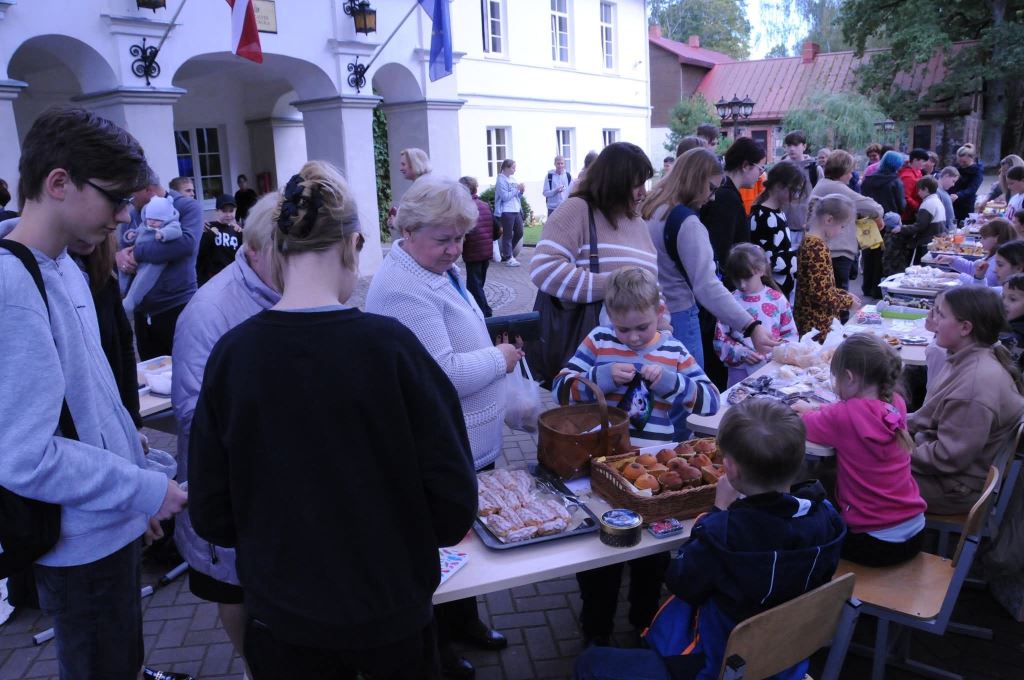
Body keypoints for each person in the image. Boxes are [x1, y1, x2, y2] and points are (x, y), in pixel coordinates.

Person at [188, 162, 477, 677]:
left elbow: (212, 513)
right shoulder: (392, 349)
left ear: (277, 248)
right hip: (391, 615)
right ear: (353, 244)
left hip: (284, 618)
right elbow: (453, 502)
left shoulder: (233, 356)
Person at [0, 105, 187, 679]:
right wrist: (140, 488)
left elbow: (94, 402)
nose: (124, 217)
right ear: (59, 183)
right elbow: (26, 455)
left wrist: (137, 489)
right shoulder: (13, 284)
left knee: (120, 661)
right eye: (115, 199)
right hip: (78, 545)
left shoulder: (63, 266)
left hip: (106, 524)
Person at [365, 175, 520, 678]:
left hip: (466, 440)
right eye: (444, 239)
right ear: (408, 231)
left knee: (464, 545)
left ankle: (464, 623)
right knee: (442, 552)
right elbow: (442, 374)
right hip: (440, 446)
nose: (455, 249)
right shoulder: (403, 288)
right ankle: (441, 650)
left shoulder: (434, 270)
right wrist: (500, 358)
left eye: (460, 238)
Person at [574, 399, 845, 680]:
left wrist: (718, 511)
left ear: (730, 469)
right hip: (788, 661)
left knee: (591, 661)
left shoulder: (725, 532)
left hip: (717, 667)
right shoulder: (828, 517)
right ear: (801, 458)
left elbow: (681, 582)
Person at [555, 267, 719, 650]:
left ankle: (645, 623)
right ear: (609, 316)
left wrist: (671, 383)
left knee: (649, 557)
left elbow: (711, 399)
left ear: (659, 311)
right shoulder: (598, 341)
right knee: (601, 555)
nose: (630, 338)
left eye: (640, 329)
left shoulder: (674, 351)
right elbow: (562, 390)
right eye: (622, 329)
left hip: (652, 476)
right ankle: (596, 627)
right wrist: (602, 377)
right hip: (600, 469)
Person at [172, 191, 282, 674]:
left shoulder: (290, 287)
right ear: (253, 249)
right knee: (234, 589)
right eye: (286, 255)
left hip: (282, 491)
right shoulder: (209, 310)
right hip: (231, 494)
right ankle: (252, 666)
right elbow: (195, 417)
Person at [529, 142, 663, 382]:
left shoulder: (638, 223)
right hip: (590, 359)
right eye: (637, 184)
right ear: (615, 182)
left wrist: (663, 326)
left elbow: (651, 285)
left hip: (640, 358)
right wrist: (616, 284)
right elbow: (544, 269)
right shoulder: (578, 210)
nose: (644, 192)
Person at [642, 147, 779, 372]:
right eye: (711, 188)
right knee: (689, 393)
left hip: (653, 313)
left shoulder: (653, 208)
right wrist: (750, 326)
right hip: (679, 315)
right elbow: (707, 285)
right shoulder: (687, 223)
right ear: (695, 180)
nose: (712, 197)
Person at [796, 334, 927, 566]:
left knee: (806, 528)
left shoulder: (842, 416)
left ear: (849, 378)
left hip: (874, 543)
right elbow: (856, 414)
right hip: (915, 531)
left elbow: (804, 426)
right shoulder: (896, 402)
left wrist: (807, 410)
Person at [910, 286, 1024, 514]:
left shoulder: (975, 384)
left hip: (953, 488)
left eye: (941, 315)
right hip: (949, 474)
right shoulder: (968, 358)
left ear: (965, 328)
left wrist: (896, 451)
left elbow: (947, 458)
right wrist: (884, 421)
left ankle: (863, 543)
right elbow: (927, 417)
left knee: (853, 470)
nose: (935, 321)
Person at [115, 170, 203, 359]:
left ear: (148, 190)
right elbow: (124, 247)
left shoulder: (187, 207)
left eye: (132, 194)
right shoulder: (134, 214)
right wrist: (121, 257)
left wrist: (137, 253)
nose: (129, 200)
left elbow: (185, 245)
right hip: (142, 313)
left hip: (177, 307)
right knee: (152, 374)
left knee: (186, 370)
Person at [714, 244, 798, 386]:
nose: (742, 285)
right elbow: (719, 339)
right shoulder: (729, 302)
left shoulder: (777, 299)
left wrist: (777, 353)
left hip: (772, 370)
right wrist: (740, 352)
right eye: (736, 278)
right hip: (739, 372)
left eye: (747, 278)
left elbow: (791, 335)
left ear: (761, 270)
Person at [810, 150, 883, 301]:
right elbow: (874, 207)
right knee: (840, 302)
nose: (851, 175)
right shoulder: (836, 188)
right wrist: (876, 216)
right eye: (850, 171)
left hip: (831, 250)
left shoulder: (824, 184)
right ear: (842, 171)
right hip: (837, 252)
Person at [794, 193, 859, 340]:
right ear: (829, 220)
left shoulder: (811, 242)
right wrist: (848, 302)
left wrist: (843, 294)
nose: (841, 231)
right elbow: (820, 294)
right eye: (842, 226)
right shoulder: (817, 247)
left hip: (812, 321)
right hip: (817, 325)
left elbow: (820, 286)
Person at [700, 137, 763, 270]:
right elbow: (722, 250)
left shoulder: (727, 192)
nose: (760, 176)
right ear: (746, 166)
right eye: (760, 169)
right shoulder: (727, 197)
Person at [120, 195, 182, 316]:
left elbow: (176, 231)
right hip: (136, 254)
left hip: (153, 261)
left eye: (157, 220)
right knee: (124, 266)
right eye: (150, 218)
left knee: (144, 279)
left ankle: (131, 301)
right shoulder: (145, 224)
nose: (152, 222)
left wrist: (163, 233)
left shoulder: (170, 224)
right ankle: (121, 289)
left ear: (166, 218)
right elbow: (137, 231)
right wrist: (130, 235)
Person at [749, 162, 804, 298]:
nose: (796, 195)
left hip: (782, 288)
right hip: (772, 291)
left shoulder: (778, 212)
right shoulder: (762, 216)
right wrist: (798, 256)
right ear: (779, 186)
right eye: (794, 190)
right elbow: (766, 261)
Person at [887, 175, 945, 271]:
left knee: (921, 270)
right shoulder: (937, 201)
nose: (918, 193)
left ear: (925, 189)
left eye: (919, 190)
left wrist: (901, 228)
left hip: (926, 244)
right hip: (936, 241)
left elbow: (920, 226)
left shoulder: (927, 204)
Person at [935, 218, 1015, 287]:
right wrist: (952, 260)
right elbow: (973, 268)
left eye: (984, 238)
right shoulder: (993, 255)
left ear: (996, 238)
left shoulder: (998, 261)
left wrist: (957, 276)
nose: (981, 241)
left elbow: (985, 285)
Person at [458, 176, 496, 317]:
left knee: (475, 286)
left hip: (473, 252)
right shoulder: (485, 205)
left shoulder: (464, 208)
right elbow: (496, 228)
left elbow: (463, 231)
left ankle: (485, 314)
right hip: (485, 251)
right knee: (477, 285)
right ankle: (480, 309)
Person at [779, 130, 819, 247]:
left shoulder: (814, 169)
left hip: (806, 227)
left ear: (804, 146)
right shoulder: (781, 168)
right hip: (784, 225)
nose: (792, 149)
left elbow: (820, 198)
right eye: (789, 145)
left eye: (796, 145)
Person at [196, 194, 243, 285]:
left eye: (231, 211)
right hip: (213, 279)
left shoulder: (237, 231)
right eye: (224, 211)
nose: (228, 214)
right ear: (216, 211)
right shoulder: (207, 228)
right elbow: (201, 256)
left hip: (232, 278)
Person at [386, 147, 432, 230]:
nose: (400, 169)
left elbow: (418, 220)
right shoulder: (424, 184)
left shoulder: (422, 188)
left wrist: (395, 222)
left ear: (415, 164)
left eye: (403, 164)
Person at [494, 158, 525, 267]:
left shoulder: (513, 178)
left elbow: (516, 196)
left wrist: (521, 192)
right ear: (506, 168)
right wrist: (516, 190)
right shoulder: (500, 180)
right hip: (506, 210)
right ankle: (508, 257)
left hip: (516, 209)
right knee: (507, 235)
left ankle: (508, 253)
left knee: (519, 232)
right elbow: (505, 197)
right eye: (513, 168)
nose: (514, 170)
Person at [949, 143, 984, 223]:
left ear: (971, 158)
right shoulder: (956, 166)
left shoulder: (977, 171)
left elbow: (972, 189)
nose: (961, 164)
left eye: (964, 162)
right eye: (959, 161)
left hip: (966, 204)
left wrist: (958, 195)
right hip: (952, 201)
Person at [897, 148, 929, 222]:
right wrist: (918, 206)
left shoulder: (918, 171)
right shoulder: (907, 176)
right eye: (923, 161)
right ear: (915, 160)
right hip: (907, 215)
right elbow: (905, 196)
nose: (925, 164)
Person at [1000, 273, 1024, 370]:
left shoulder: (1013, 338)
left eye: (1012, 299)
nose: (1004, 303)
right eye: (1003, 297)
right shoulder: (1011, 323)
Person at [936, 166, 959, 232]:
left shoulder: (943, 191)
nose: (953, 185)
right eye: (953, 181)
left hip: (948, 230)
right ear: (946, 176)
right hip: (944, 231)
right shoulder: (937, 192)